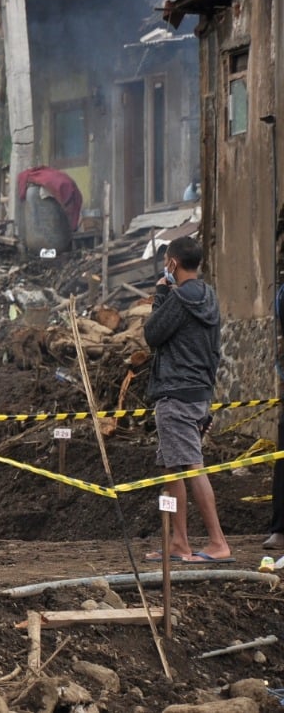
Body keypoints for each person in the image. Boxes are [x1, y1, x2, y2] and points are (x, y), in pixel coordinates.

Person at [142, 235, 231, 563]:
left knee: (191, 466)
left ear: (172, 264)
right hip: (197, 392)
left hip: (176, 393)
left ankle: (218, 542)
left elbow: (152, 334)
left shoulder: (179, 300)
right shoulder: (209, 296)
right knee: (172, 467)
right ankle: (178, 542)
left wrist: (161, 292)